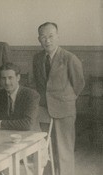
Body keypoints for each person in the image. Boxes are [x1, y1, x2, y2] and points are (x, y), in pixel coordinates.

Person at [33, 22, 85, 175]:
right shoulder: (37, 58)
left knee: (64, 152)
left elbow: (79, 85)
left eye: (50, 36)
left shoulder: (70, 58)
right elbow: (38, 83)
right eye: (43, 37)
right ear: (38, 39)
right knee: (46, 149)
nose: (47, 40)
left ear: (58, 37)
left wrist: (65, 100)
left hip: (64, 111)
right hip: (43, 110)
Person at [0, 62, 40, 131]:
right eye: (3, 78)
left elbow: (28, 124)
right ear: (0, 79)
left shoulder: (31, 95)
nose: (7, 82)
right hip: (8, 134)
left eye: (10, 78)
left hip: (31, 136)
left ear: (18, 78)